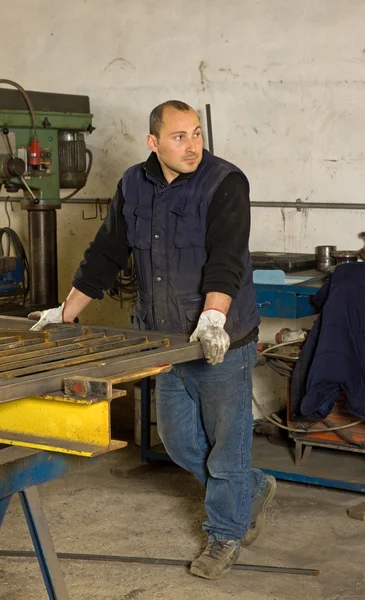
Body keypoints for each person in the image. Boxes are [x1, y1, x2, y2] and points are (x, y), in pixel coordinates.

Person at [29, 100, 276, 580]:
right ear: (153, 142)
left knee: (227, 448)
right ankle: (253, 488)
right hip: (162, 340)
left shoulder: (226, 182)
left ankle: (225, 534)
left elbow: (227, 259)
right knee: (178, 440)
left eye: (197, 134)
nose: (192, 145)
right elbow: (105, 254)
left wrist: (212, 318)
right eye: (179, 136)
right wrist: (65, 312)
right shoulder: (133, 185)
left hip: (218, 338)